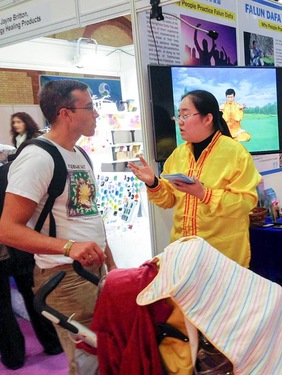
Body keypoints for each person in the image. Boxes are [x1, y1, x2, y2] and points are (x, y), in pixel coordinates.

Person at [0, 79, 117, 374]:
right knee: (88, 361)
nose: (96, 114)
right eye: (89, 107)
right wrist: (68, 247)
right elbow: (8, 229)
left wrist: (113, 269)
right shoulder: (37, 157)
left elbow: (90, 218)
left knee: (108, 352)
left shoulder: (79, 154)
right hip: (63, 276)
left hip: (94, 270)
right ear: (66, 113)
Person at [128, 89, 261, 268]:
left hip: (222, 258)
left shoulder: (236, 153)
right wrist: (153, 182)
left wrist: (204, 193)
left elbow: (246, 202)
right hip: (183, 256)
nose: (179, 122)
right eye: (178, 116)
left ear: (208, 118)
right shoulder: (179, 154)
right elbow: (169, 200)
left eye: (186, 115)